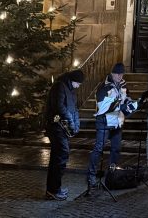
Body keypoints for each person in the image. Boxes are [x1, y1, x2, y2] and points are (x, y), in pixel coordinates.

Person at [87, 61, 134, 190]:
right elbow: (101, 105)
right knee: (98, 149)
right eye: (117, 74)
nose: (120, 76)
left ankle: (111, 174)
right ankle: (91, 175)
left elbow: (127, 96)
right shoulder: (104, 86)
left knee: (116, 149)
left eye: (121, 74)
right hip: (105, 122)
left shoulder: (124, 85)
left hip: (118, 122)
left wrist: (129, 101)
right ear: (112, 73)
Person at [44, 68, 83, 200]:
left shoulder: (71, 90)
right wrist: (71, 122)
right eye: (78, 83)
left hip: (63, 128)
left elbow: (74, 109)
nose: (78, 86)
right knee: (60, 157)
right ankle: (53, 190)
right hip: (56, 127)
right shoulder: (59, 87)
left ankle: (55, 188)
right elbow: (59, 107)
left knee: (59, 157)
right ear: (72, 80)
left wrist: (76, 124)